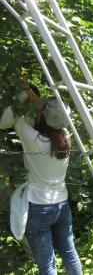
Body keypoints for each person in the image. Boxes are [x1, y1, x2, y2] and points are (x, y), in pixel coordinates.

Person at [1, 78, 82, 275]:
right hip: (62, 204)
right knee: (70, 253)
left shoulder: (32, 137)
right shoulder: (65, 137)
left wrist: (22, 96)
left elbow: (6, 121)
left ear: (42, 116)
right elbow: (52, 114)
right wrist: (30, 91)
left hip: (38, 207)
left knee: (47, 265)